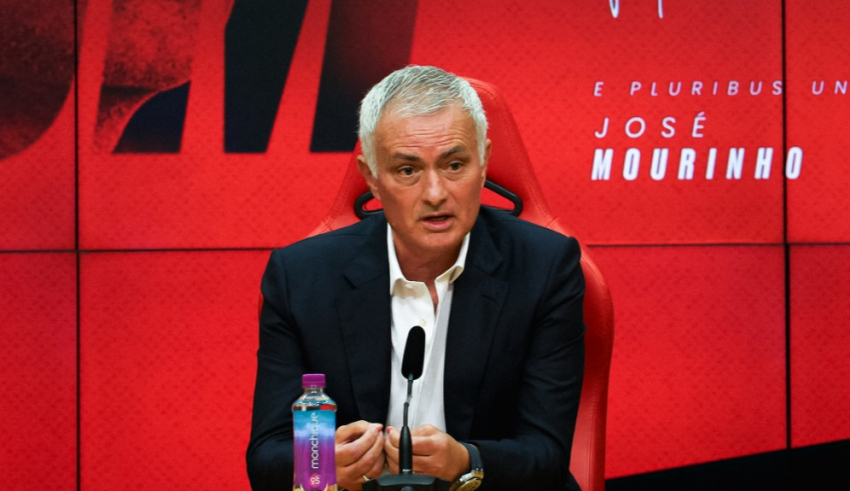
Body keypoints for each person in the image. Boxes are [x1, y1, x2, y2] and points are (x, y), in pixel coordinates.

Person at [247, 65, 585, 491]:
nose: (435, 193)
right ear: (372, 178)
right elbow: (268, 457)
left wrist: (466, 461)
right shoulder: (301, 277)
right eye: (408, 171)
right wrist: (324, 464)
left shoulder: (545, 267)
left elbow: (547, 454)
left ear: (483, 162)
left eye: (455, 165)